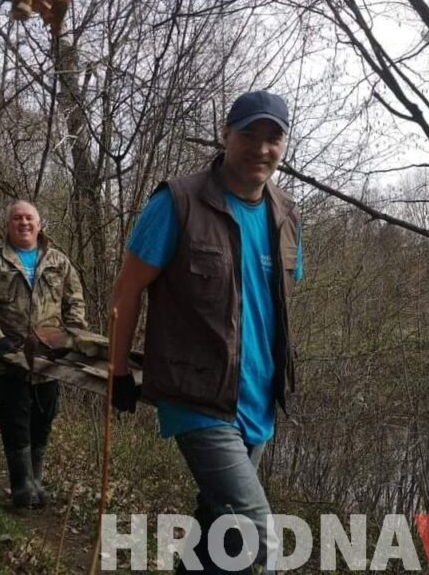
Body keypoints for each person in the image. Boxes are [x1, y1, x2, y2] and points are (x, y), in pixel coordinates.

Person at [109, 90, 303, 573]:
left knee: (222, 530)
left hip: (258, 401)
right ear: (226, 134)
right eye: (249, 135)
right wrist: (117, 370)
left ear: (284, 144)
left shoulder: (287, 215)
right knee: (259, 534)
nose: (261, 148)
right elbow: (127, 290)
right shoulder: (178, 202)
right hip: (197, 400)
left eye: (273, 138)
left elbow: (273, 306)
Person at [0, 199, 87, 508]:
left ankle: (36, 481)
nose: (24, 223)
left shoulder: (58, 262)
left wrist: (72, 338)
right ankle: (21, 485)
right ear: (8, 225)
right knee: (14, 419)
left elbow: (75, 302)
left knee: (43, 419)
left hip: (49, 361)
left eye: (29, 218)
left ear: (39, 224)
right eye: (17, 218)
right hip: (8, 361)